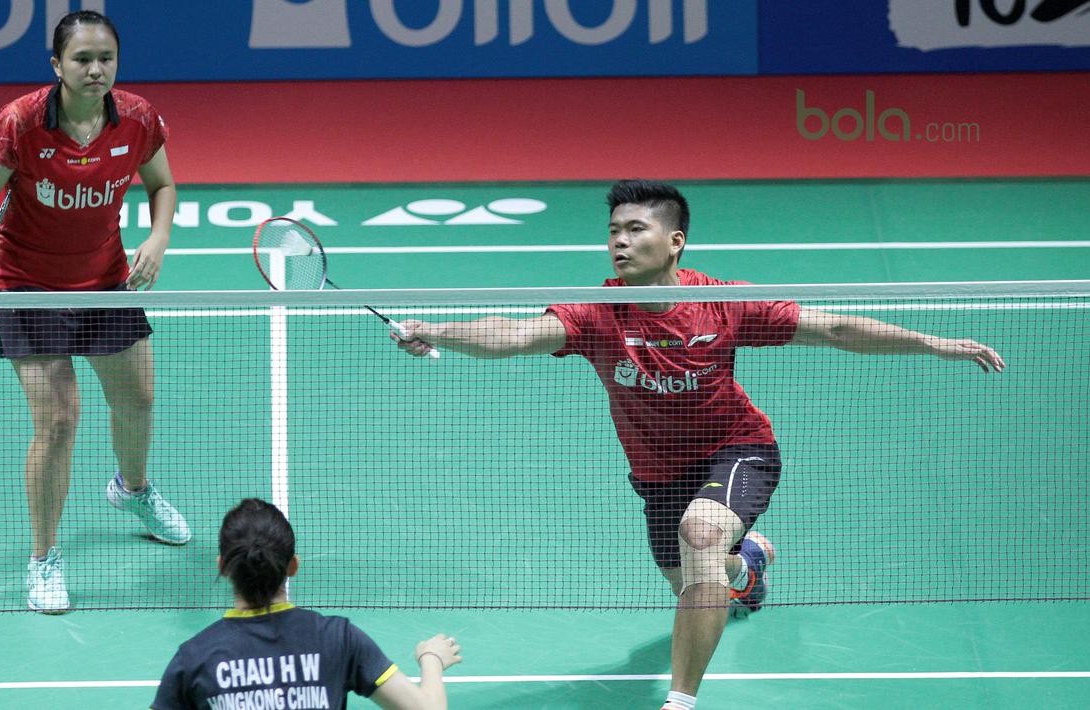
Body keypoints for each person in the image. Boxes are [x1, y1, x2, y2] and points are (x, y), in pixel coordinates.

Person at [394, 179, 1005, 710]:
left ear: (675, 242)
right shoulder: (600, 311)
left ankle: (680, 699)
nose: (620, 242)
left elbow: (833, 326)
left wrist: (933, 343)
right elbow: (517, 335)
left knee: (702, 534)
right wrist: (438, 331)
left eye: (636, 230)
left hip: (737, 450)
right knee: (693, 578)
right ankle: (750, 564)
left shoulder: (724, 301)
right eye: (613, 231)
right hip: (658, 472)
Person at [0, 10, 189, 614]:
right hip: (27, 285)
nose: (96, 70)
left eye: (105, 58)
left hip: (105, 278)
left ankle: (132, 490)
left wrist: (158, 239)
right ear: (56, 65)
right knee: (59, 421)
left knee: (137, 399)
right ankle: (44, 560)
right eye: (82, 59)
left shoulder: (137, 117)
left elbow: (162, 185)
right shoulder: (22, 120)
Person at [153, 498, 463, 709]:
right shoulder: (337, 638)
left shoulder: (194, 658)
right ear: (293, 566)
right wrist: (431, 659)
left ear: (222, 566)